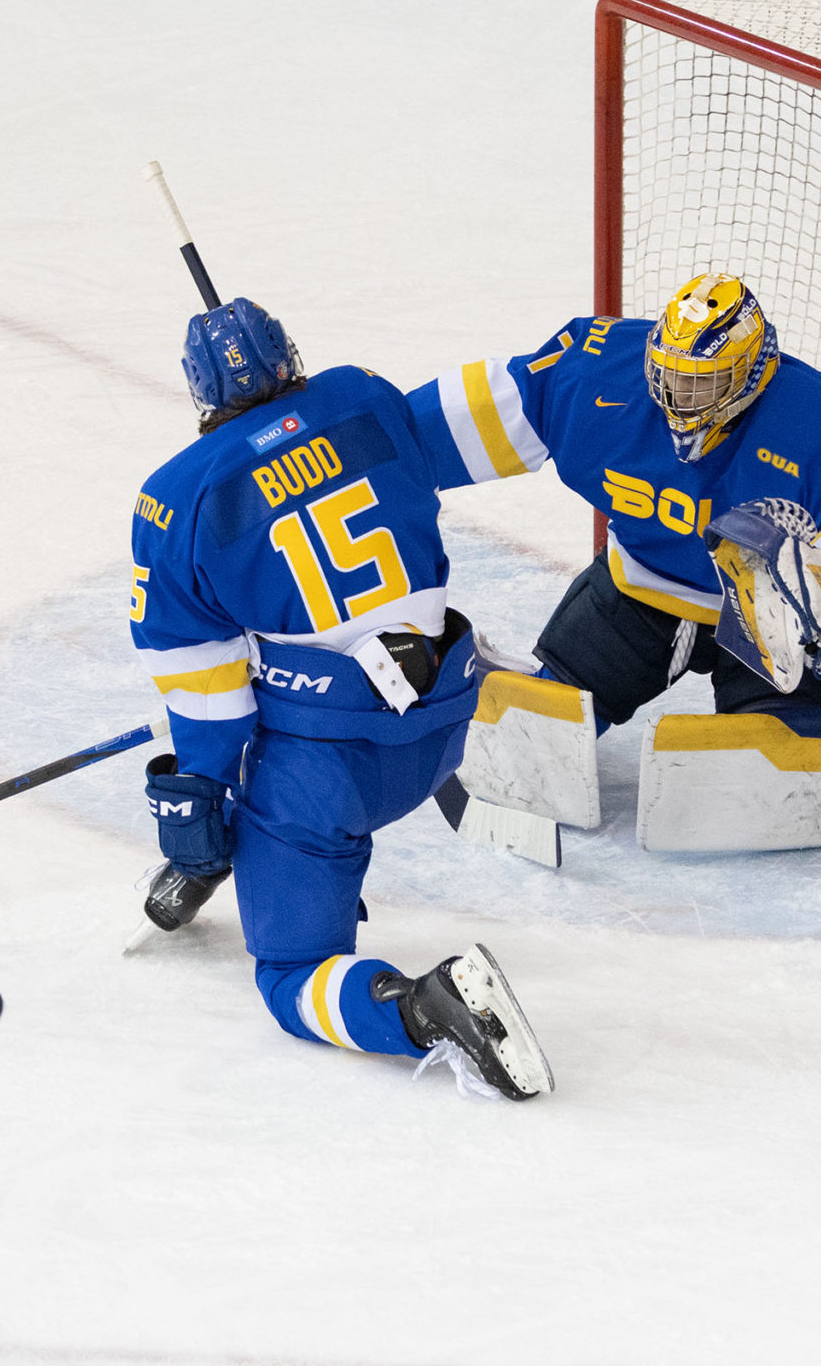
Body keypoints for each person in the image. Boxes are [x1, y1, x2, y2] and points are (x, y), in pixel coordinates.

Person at [127, 296, 554, 1101]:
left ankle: (421, 1009)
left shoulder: (173, 498)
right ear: (290, 354)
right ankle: (255, 852)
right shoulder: (364, 393)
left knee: (291, 974)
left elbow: (210, 702)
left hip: (329, 777)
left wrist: (198, 810)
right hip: (443, 729)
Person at [406, 273, 821, 733]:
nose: (681, 397)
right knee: (553, 712)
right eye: (672, 375)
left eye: (702, 382)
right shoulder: (596, 376)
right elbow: (489, 406)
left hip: (770, 621)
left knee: (768, 738)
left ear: (753, 370)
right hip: (640, 589)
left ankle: (778, 726)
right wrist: (385, 457)